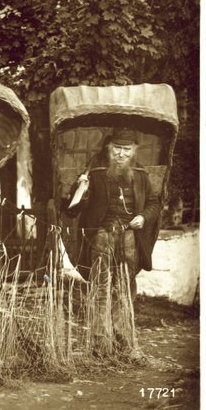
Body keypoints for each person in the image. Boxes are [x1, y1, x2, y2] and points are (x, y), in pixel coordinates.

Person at [62, 127, 160, 357]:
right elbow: (73, 209)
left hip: (129, 239)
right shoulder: (95, 174)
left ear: (134, 151)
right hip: (102, 237)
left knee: (125, 288)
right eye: (117, 148)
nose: (121, 154)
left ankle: (124, 341)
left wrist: (143, 217)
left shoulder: (141, 176)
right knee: (100, 287)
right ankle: (100, 342)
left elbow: (154, 204)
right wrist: (81, 189)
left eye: (126, 149)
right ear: (109, 148)